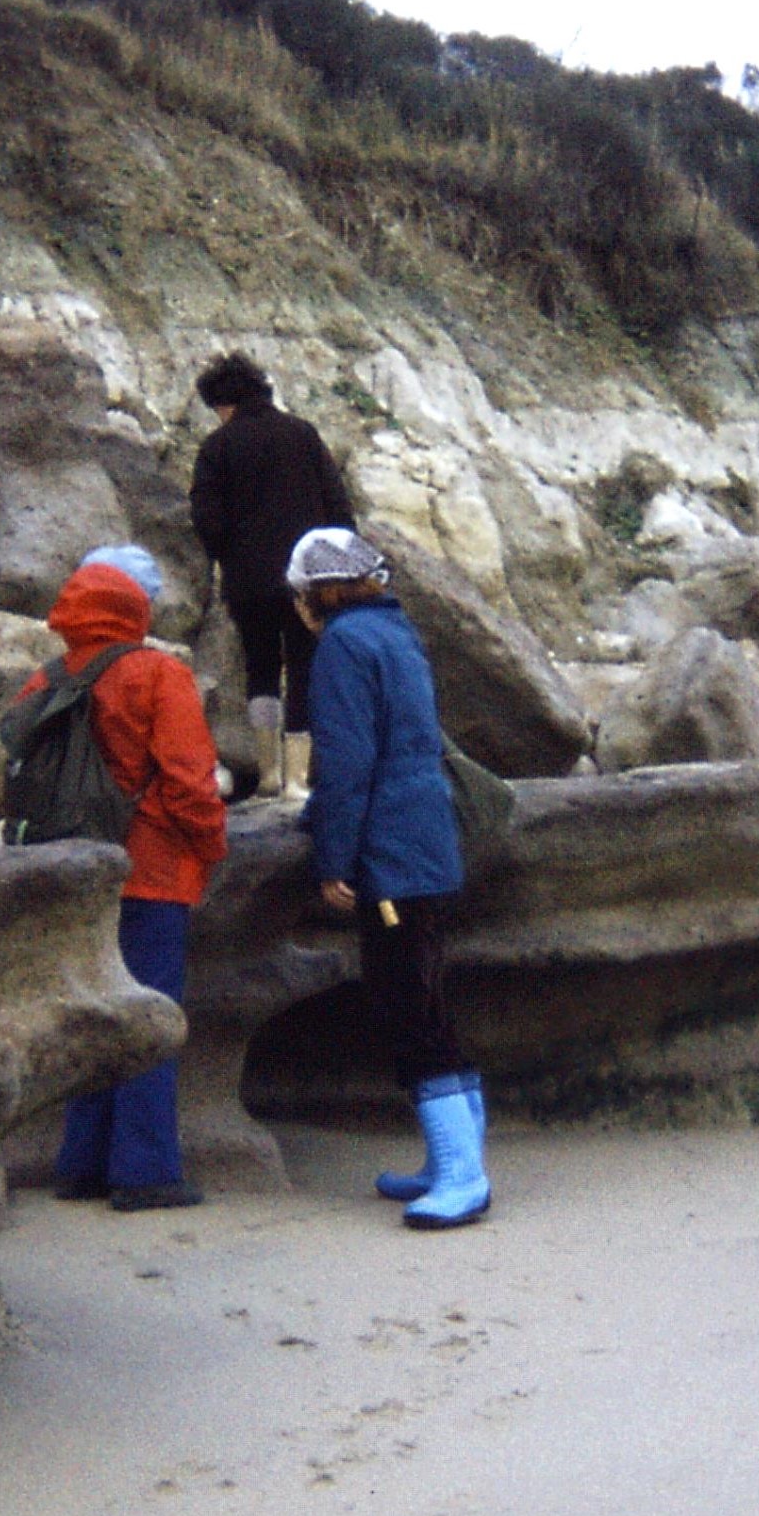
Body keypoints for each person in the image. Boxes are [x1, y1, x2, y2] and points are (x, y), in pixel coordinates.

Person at [286, 527, 490, 1230]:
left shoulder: (343, 645)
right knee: (429, 998)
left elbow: (347, 764)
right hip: (428, 841)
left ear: (318, 594)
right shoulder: (397, 632)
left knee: (408, 1006)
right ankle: (449, 1162)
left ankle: (463, 1174)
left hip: (392, 854)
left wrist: (333, 860)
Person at [18, 545, 227, 1211]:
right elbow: (191, 779)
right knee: (149, 1020)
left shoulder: (45, 680)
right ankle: (145, 1171)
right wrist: (210, 845)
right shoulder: (157, 674)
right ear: (137, 608)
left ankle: (80, 1165)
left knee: (93, 1017)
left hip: (72, 873)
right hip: (152, 870)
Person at [189, 351, 358, 800]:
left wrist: (226, 560)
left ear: (226, 402)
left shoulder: (217, 447)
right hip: (308, 579)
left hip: (248, 581)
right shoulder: (302, 434)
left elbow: (207, 519)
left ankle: (267, 772)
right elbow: (339, 508)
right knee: (304, 667)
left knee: (261, 668)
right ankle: (299, 780)